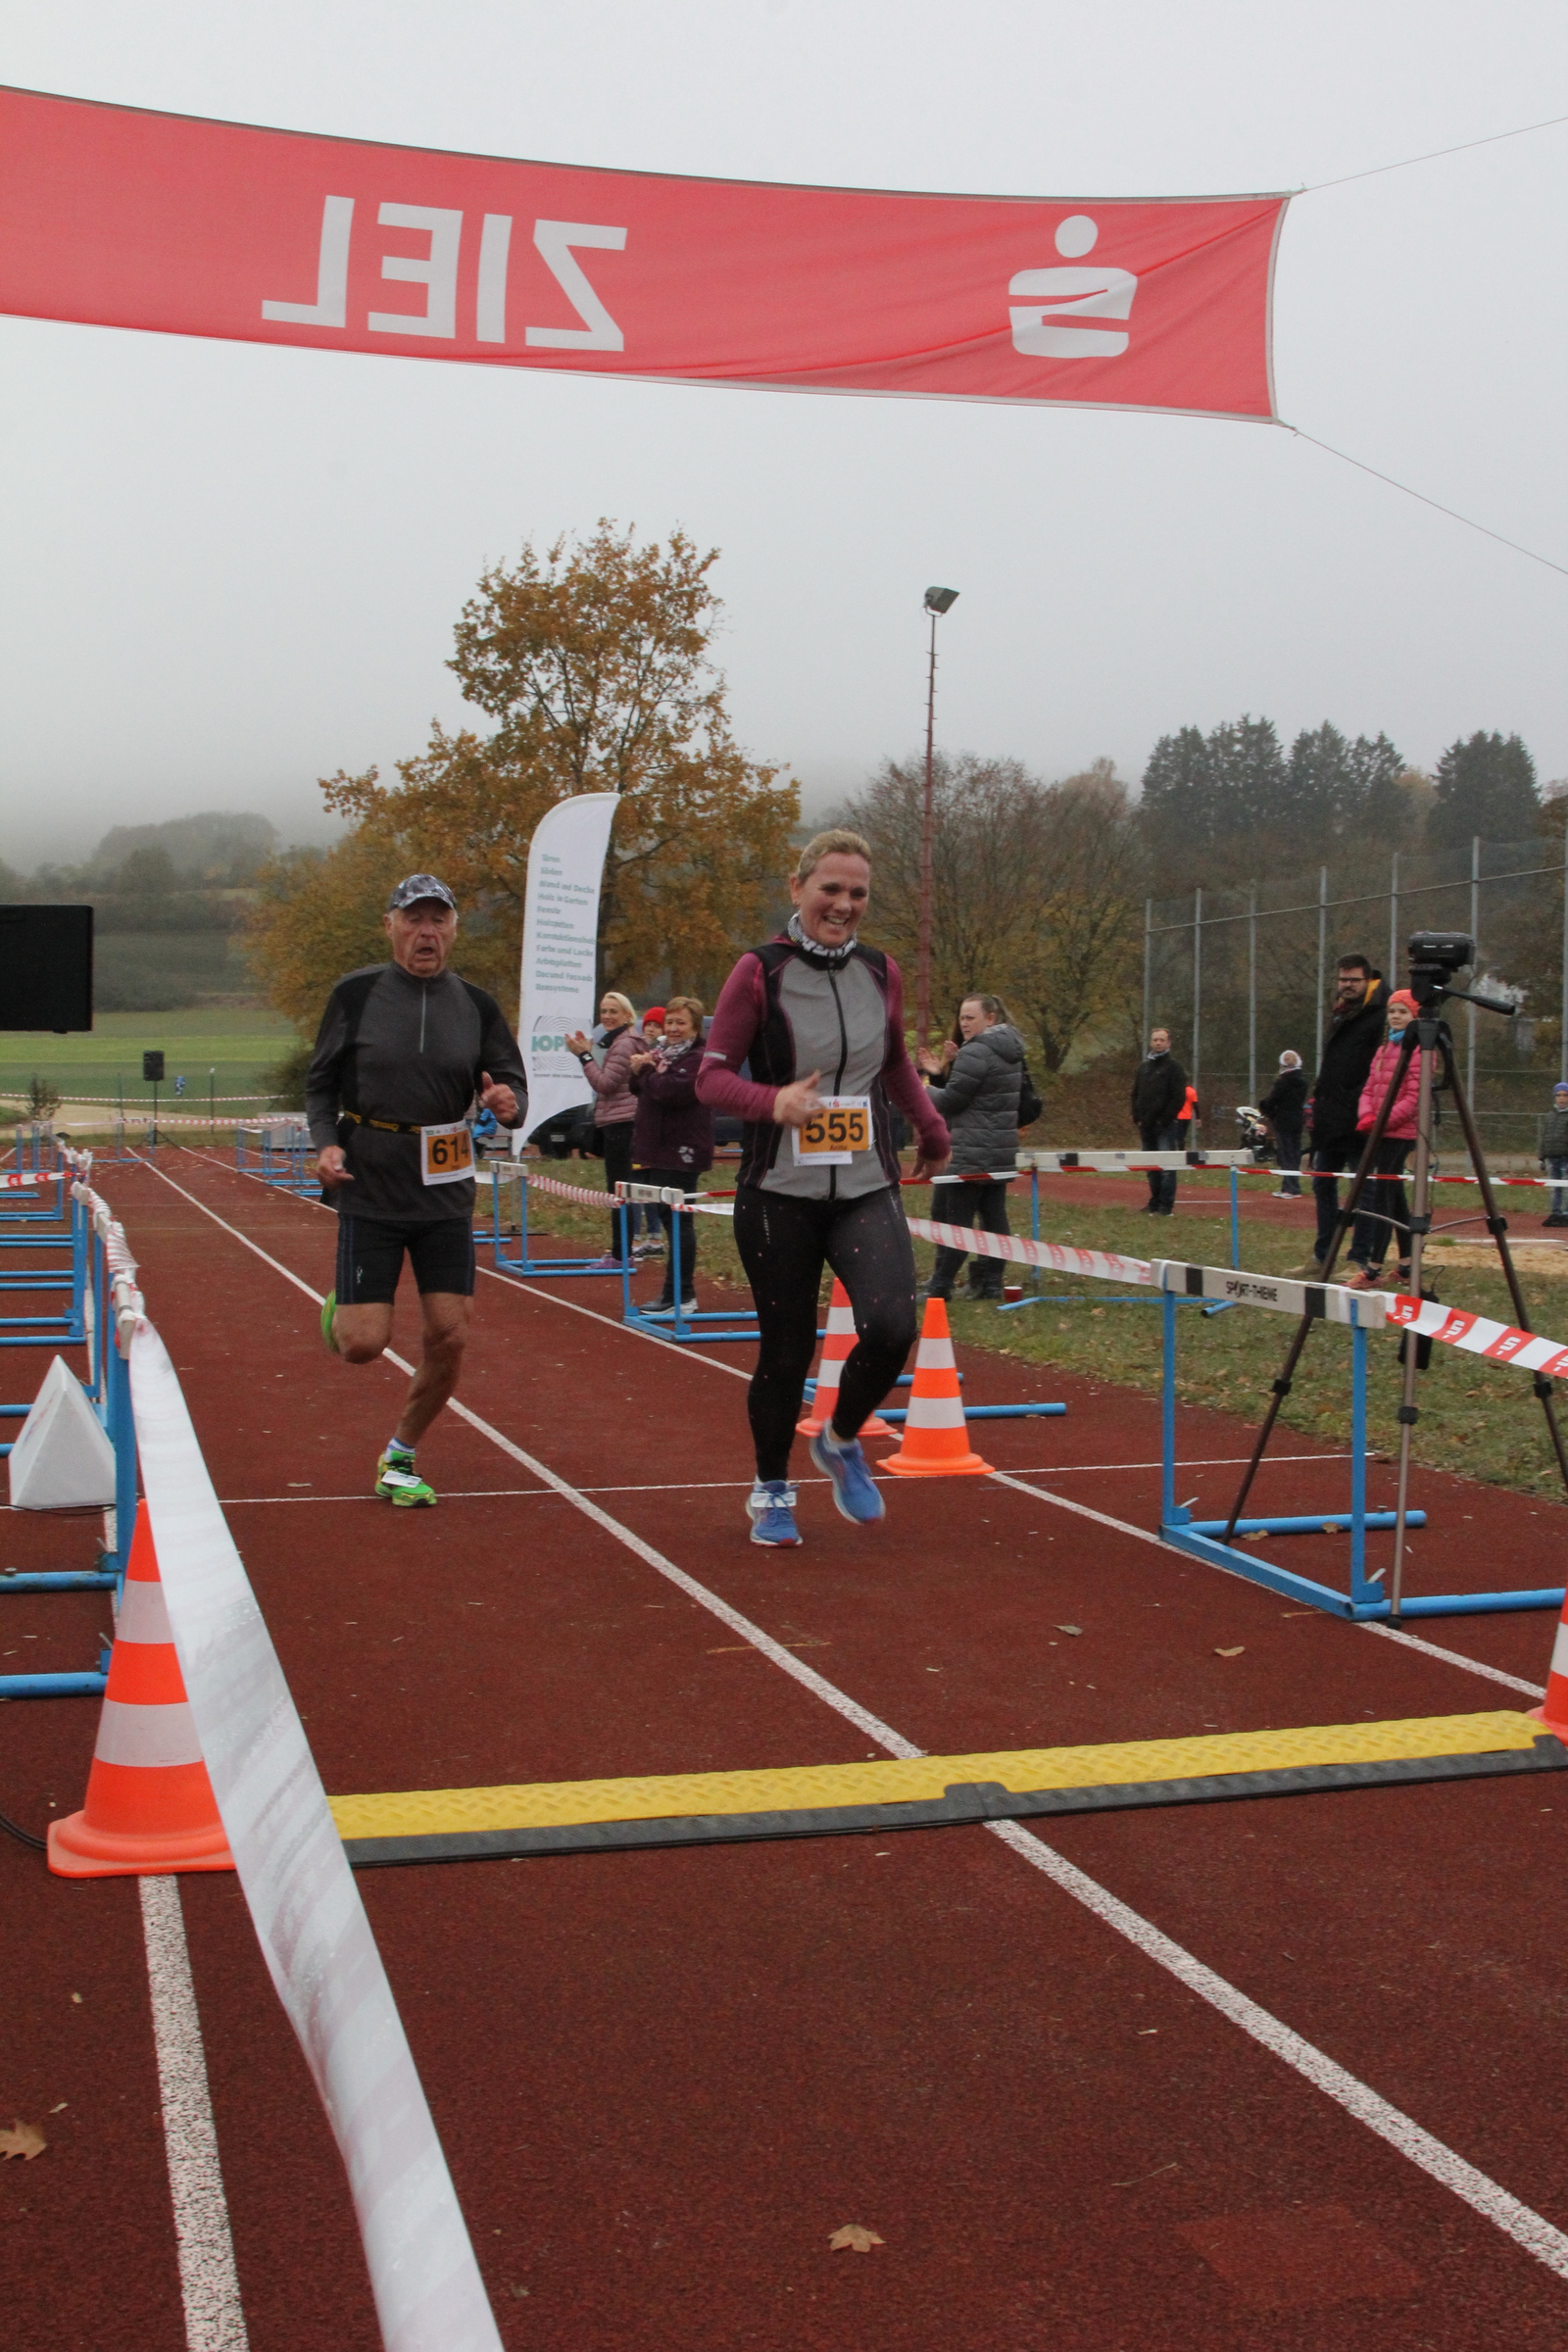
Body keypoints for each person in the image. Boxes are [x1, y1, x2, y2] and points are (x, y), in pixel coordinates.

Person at [696, 828, 951, 1545]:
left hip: (865, 1183)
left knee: (893, 1326)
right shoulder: (759, 972)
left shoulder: (880, 971)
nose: (843, 904)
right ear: (798, 888)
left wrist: (931, 1128)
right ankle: (772, 1489)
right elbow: (710, 1078)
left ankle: (839, 1440)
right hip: (779, 1192)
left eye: (857, 893)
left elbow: (893, 1063)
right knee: (786, 1351)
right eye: (830, 889)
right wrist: (770, 1101)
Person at [309, 874, 527, 1507]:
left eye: (438, 920)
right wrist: (325, 1143)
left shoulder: (477, 1006)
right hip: (371, 1182)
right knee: (362, 1344)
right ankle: (346, 1306)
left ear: (454, 929)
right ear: (391, 926)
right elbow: (320, 1084)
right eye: (414, 920)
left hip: (445, 1187)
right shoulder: (355, 995)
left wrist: (509, 1104)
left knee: (450, 1334)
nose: (426, 932)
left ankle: (401, 1453)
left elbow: (511, 1084)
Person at [1285, 955, 1391, 1279]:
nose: (1347, 985)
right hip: (1330, 1118)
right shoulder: (1340, 1013)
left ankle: (1360, 1259)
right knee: (1322, 1184)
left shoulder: (1381, 1015)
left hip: (1361, 1118)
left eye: (1354, 980)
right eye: (1343, 979)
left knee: (1364, 1189)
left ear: (1368, 980)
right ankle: (1323, 1255)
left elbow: (1380, 1069)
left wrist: (1362, 1104)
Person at [915, 994, 1024, 1301]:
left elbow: (952, 1101)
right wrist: (943, 1073)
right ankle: (991, 1283)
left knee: (957, 1221)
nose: (963, 1023)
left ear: (990, 1018)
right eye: (961, 1017)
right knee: (994, 1217)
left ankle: (941, 1285)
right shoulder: (1011, 1050)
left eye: (970, 1017)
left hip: (971, 1149)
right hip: (1000, 1148)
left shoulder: (976, 1051)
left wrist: (924, 1089)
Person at [629, 995, 711, 1316]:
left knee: (678, 1220)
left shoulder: (697, 1058)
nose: (673, 1028)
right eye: (670, 1022)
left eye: (681, 1023)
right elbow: (639, 1087)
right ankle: (676, 1292)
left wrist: (647, 1071)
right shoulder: (660, 1053)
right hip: (656, 1147)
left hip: (682, 1150)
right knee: (667, 1217)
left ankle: (680, 1294)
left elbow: (669, 1092)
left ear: (695, 1027)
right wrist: (641, 1070)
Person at [1346, 990, 1420, 1287]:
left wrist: (1383, 1121)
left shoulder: (1419, 1052)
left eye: (1403, 1011)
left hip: (1400, 1132)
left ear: (1415, 1016)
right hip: (1379, 1130)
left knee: (1383, 1197)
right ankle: (1407, 1264)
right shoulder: (1384, 1049)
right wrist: (1367, 1115)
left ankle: (1373, 1268)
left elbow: (1414, 1097)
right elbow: (1369, 1088)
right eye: (1392, 1011)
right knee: (1395, 1196)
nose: (1396, 1017)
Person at [564, 991, 644, 1265]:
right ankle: (622, 1251)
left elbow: (605, 1084)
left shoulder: (623, 1045)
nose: (607, 1016)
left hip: (622, 1123)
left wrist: (584, 1056)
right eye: (604, 1011)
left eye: (613, 1011)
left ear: (627, 1015)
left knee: (618, 1192)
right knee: (620, 1190)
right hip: (619, 1121)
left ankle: (622, 1254)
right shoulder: (620, 1042)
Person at [1130, 1027, 1187, 1214]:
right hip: (1145, 1126)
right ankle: (1154, 1202)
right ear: (1151, 1042)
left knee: (1167, 1167)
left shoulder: (1174, 1068)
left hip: (1165, 1127)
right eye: (1155, 1039)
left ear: (1168, 1043)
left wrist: (1164, 1120)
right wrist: (1137, 1116)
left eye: (1162, 1040)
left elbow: (1178, 1097)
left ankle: (1165, 1206)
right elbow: (1136, 1093)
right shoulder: (1144, 1068)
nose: (1158, 1043)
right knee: (1150, 1166)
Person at [1259, 1051, 1307, 1198]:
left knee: (1286, 1154)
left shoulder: (1282, 1082)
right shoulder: (1303, 1081)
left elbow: (1273, 1100)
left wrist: (1264, 1107)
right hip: (1297, 1119)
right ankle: (1293, 1187)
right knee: (1294, 1153)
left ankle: (1289, 1188)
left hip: (1284, 1120)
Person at [1542, 1082, 1568, 1228]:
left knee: (1566, 1186)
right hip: (1552, 1157)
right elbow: (1544, 1137)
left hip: (1565, 1157)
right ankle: (1555, 1212)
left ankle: (1566, 1214)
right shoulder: (1550, 1116)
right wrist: (1541, 1157)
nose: (1562, 1098)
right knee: (1555, 1187)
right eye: (1558, 1095)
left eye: (1565, 1095)